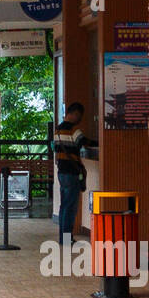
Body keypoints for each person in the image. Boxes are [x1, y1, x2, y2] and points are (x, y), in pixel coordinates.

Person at [54, 102, 94, 241]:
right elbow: (85, 142)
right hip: (72, 172)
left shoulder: (57, 130)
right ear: (75, 114)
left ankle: (63, 237)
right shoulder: (73, 130)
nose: (80, 119)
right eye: (79, 116)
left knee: (64, 205)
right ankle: (67, 238)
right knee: (71, 207)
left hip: (61, 172)